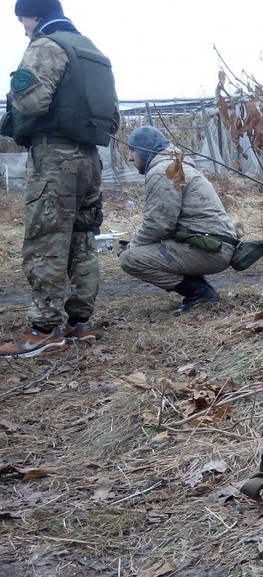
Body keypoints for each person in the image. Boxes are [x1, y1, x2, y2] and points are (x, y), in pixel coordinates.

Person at [0, 0, 119, 358]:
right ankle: (79, 323)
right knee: (83, 237)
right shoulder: (93, 53)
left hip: (54, 156)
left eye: (22, 20)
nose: (23, 28)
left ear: (34, 15)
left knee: (46, 238)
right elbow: (113, 116)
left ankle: (43, 330)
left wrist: (13, 94)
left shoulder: (46, 45)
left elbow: (31, 102)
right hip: (90, 158)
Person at [120, 126, 241, 317]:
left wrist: (132, 246)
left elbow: (158, 225)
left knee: (130, 259)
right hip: (213, 245)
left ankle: (199, 294)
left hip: (211, 249)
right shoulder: (175, 165)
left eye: (132, 150)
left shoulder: (162, 171)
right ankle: (202, 290)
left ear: (144, 150)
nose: (129, 158)